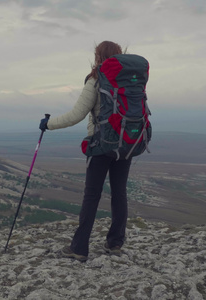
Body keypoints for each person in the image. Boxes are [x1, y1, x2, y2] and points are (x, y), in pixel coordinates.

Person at [39, 41, 132, 262]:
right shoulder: (129, 81)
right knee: (119, 193)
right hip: (126, 144)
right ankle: (115, 243)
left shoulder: (96, 80)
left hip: (100, 145)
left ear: (98, 56)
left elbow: (76, 115)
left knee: (92, 196)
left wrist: (48, 124)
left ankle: (79, 248)